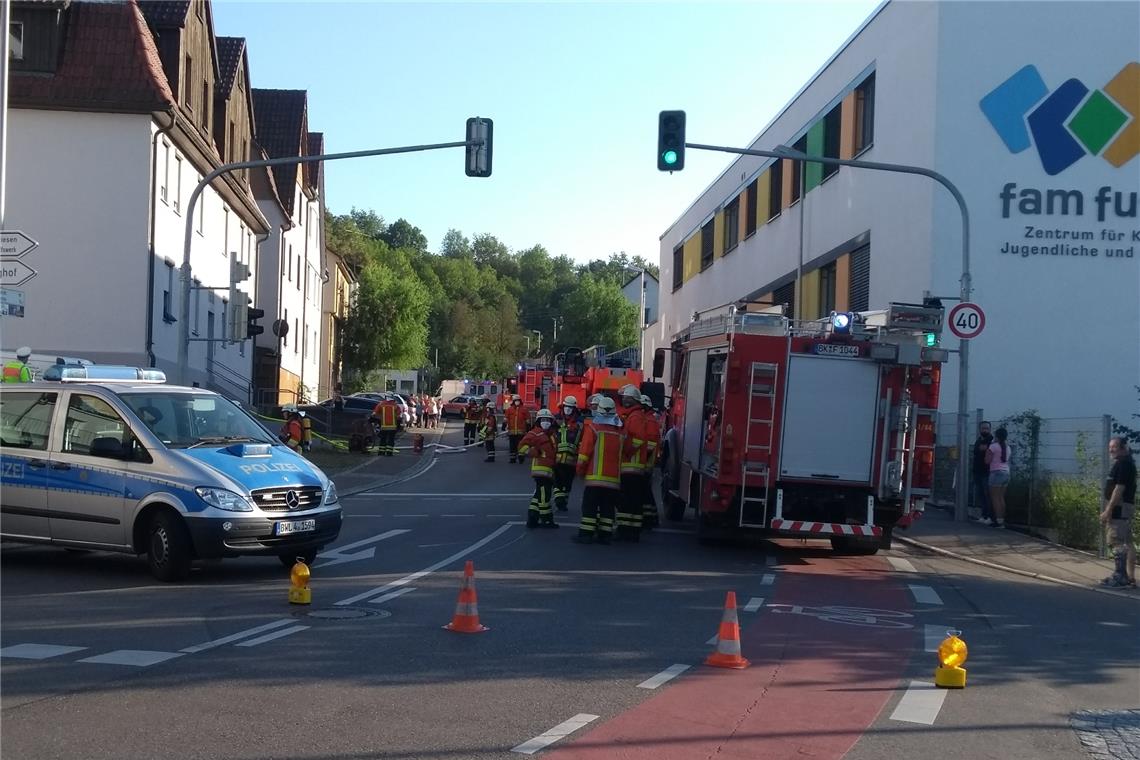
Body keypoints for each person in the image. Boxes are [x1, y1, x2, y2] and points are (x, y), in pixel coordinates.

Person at [574, 395, 623, 544]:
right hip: (613, 481)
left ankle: (586, 534)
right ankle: (605, 535)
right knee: (607, 509)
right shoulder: (620, 432)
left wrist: (579, 471)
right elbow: (628, 451)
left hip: (594, 479)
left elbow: (584, 453)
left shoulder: (593, 429)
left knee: (590, 507)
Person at [1100, 435, 1136, 588]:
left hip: (1119, 507)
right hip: (1123, 507)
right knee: (1127, 541)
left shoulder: (1123, 465)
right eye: (1110, 447)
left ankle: (1120, 576)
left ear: (1123, 448)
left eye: (1114, 447)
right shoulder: (1125, 463)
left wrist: (1108, 510)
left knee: (1117, 541)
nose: (1111, 450)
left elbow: (1119, 489)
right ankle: (1128, 577)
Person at [615, 384, 649, 542]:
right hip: (633, 467)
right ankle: (632, 530)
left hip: (631, 466)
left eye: (626, 397)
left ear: (633, 399)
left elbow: (637, 439)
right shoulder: (633, 415)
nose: (623, 400)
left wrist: (626, 451)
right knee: (633, 500)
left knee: (627, 500)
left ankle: (625, 530)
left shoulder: (635, 417)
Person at [518, 409, 560, 529]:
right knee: (544, 497)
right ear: (538, 421)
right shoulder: (534, 433)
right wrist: (534, 452)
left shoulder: (551, 434)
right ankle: (546, 520)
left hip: (549, 470)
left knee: (538, 495)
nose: (545, 422)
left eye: (548, 420)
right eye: (543, 420)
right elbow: (521, 447)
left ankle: (532, 517)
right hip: (540, 471)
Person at [553, 395, 584, 512]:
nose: (567, 409)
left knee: (568, 483)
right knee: (557, 482)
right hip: (557, 458)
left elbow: (583, 439)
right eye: (566, 407)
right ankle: (559, 500)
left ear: (574, 409)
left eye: (570, 407)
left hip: (572, 459)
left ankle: (563, 501)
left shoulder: (580, 422)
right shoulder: (556, 420)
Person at [640, 394, 662, 531]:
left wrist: (644, 460)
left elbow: (650, 444)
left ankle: (649, 518)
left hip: (646, 463)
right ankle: (651, 517)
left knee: (645, 491)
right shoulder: (647, 419)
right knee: (646, 491)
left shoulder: (650, 421)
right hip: (646, 462)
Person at [985, 426, 1011, 528]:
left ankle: (997, 520)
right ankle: (1002, 520)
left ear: (996, 436)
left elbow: (987, 461)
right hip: (1006, 473)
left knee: (995, 498)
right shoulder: (1007, 447)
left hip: (996, 472)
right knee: (1001, 498)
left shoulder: (993, 446)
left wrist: (987, 452)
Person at [972, 421, 995, 525]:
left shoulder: (991, 441)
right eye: (983, 428)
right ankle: (983, 515)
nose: (984, 430)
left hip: (987, 471)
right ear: (979, 429)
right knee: (981, 494)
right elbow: (976, 451)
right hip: (977, 470)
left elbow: (986, 451)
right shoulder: (978, 441)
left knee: (987, 494)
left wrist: (982, 449)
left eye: (986, 428)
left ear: (990, 429)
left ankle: (990, 516)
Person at [504, 396, 529, 464]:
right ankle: (512, 459)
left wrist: (528, 429)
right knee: (512, 446)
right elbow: (506, 418)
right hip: (512, 432)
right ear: (513, 401)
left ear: (520, 401)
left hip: (521, 432)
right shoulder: (509, 409)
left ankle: (521, 458)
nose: (517, 402)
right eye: (515, 400)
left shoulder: (524, 409)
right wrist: (504, 426)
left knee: (521, 445)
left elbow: (528, 420)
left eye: (518, 400)